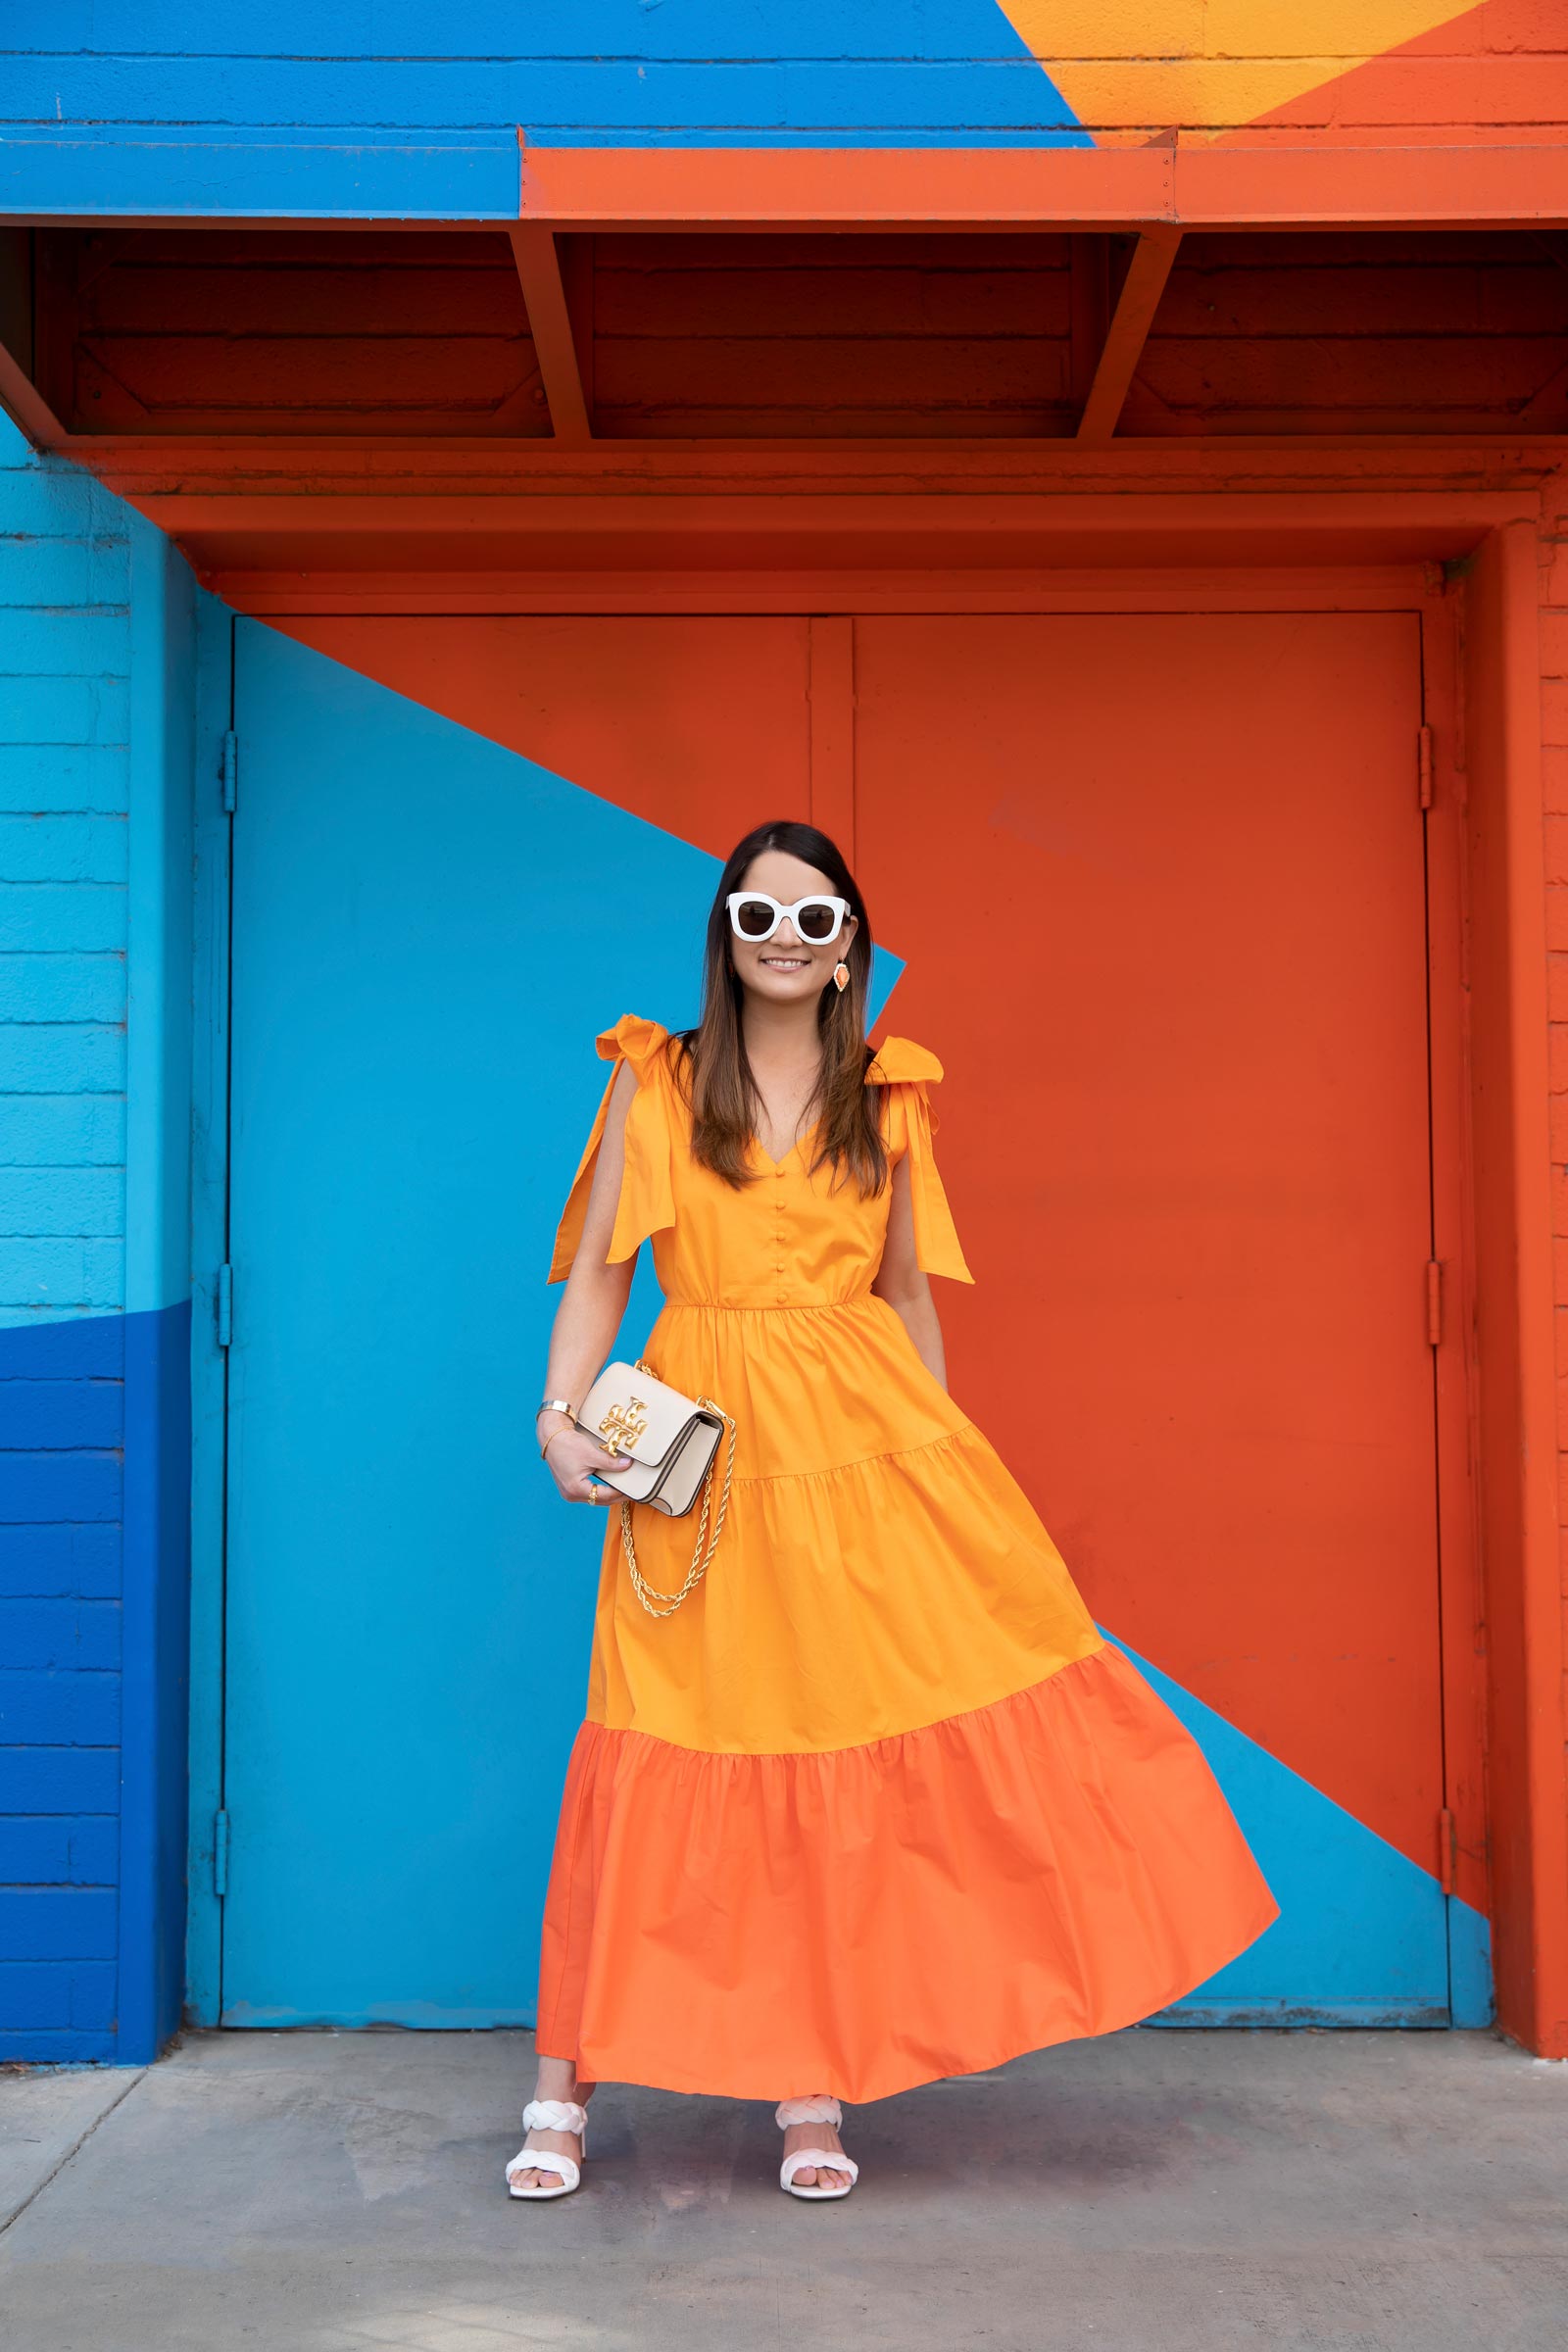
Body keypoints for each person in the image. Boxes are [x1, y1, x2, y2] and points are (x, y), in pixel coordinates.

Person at [506, 818, 1277, 2203]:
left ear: (852, 940)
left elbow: (908, 1297)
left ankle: (816, 2082)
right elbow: (603, 1277)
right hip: (710, 1448)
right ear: (724, 933)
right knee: (664, 1724)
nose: (787, 943)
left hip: (869, 1448)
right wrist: (557, 1417)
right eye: (760, 918)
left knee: (835, 1737)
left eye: (816, 921)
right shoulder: (655, 1079)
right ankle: (564, 2080)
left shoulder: (892, 1093)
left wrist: (946, 1463)